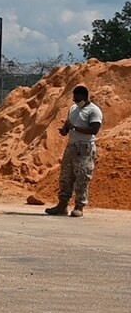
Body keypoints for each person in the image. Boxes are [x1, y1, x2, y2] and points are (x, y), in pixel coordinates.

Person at [45, 85, 103, 217]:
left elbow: (94, 130)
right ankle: (62, 205)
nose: (75, 100)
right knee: (66, 176)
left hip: (85, 148)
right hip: (72, 146)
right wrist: (65, 130)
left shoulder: (94, 111)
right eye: (74, 98)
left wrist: (75, 128)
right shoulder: (73, 109)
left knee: (83, 177)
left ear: (84, 96)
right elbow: (68, 124)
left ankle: (79, 206)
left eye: (77, 98)